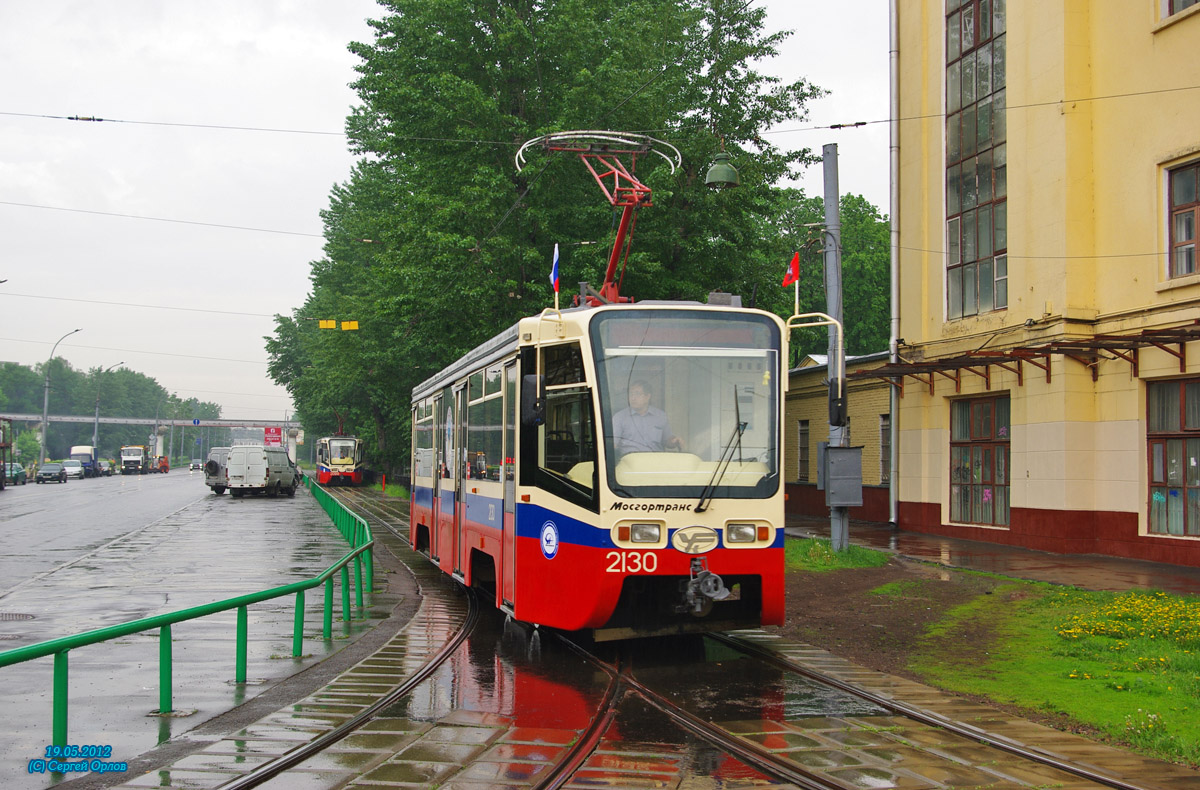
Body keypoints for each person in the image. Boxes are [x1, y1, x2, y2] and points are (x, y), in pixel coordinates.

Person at [611, 379, 683, 455]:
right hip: (630, 462)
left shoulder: (660, 416)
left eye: (637, 394)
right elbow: (613, 444)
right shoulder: (620, 417)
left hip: (655, 461)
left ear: (647, 397)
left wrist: (674, 441)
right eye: (631, 394)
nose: (633, 398)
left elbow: (667, 441)